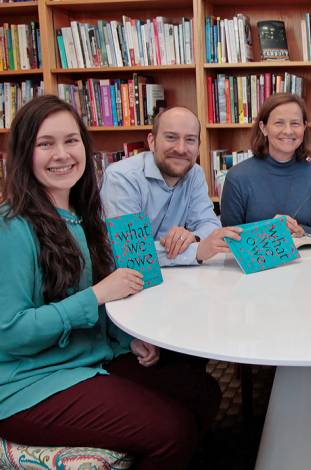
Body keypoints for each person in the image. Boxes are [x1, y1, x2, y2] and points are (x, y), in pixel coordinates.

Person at [0, 96, 221, 469]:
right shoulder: (12, 226)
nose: (62, 155)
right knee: (174, 430)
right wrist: (97, 295)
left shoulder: (80, 213)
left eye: (71, 141)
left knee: (203, 391)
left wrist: (127, 339)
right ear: (24, 153)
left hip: (87, 356)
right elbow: (10, 332)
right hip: (28, 382)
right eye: (45, 143)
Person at [100, 106, 241, 266]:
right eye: (171, 137)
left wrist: (193, 237)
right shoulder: (121, 178)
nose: (181, 149)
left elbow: (209, 223)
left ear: (198, 146)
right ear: (152, 141)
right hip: (126, 280)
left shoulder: (195, 173)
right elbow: (131, 252)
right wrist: (197, 250)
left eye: (190, 140)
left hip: (175, 279)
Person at [220, 93, 311, 236]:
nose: (288, 131)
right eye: (279, 123)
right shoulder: (237, 177)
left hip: (309, 257)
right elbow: (230, 238)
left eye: (295, 123)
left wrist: (302, 232)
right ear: (264, 128)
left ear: (304, 127)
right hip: (257, 259)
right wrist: (270, 231)